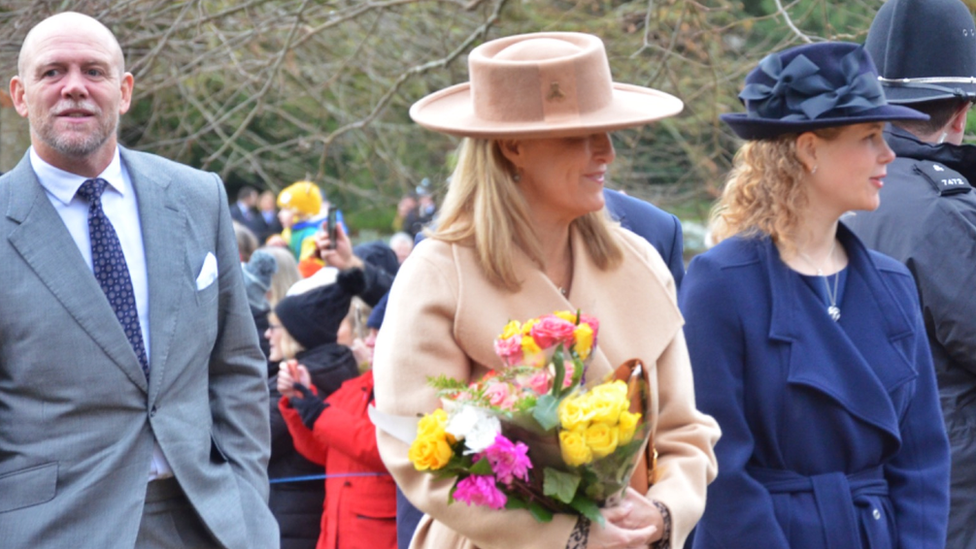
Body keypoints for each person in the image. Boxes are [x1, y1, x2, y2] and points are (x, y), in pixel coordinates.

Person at [372, 31, 720, 549]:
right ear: (513, 147)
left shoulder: (641, 261)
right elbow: (420, 457)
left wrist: (665, 515)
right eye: (582, 135)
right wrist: (576, 535)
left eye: (608, 132)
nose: (607, 152)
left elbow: (684, 435)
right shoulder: (439, 272)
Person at [0, 11, 277, 549]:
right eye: (53, 72)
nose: (74, 88)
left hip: (208, 519)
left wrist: (247, 497)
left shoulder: (199, 197)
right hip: (53, 528)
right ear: (20, 94)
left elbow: (238, 363)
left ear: (124, 92)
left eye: (94, 72)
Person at [681, 42, 951, 548]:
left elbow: (923, 462)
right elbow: (720, 472)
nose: (888, 153)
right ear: (809, 149)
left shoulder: (891, 284)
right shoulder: (721, 284)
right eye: (869, 137)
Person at [843, 1, 976, 545]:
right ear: (961, 112)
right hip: (948, 488)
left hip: (857, 481)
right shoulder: (941, 211)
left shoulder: (834, 189)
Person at [277, 280, 397, 549]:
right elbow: (322, 452)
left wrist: (317, 413)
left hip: (378, 537)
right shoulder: (356, 386)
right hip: (334, 534)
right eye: (370, 331)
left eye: (378, 333)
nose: (368, 340)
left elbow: (384, 448)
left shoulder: (411, 392)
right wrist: (299, 401)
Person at [266, 269, 364, 549]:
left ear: (296, 334)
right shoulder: (327, 369)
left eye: (276, 326)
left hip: (290, 521)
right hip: (301, 516)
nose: (267, 334)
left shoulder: (302, 381)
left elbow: (248, 438)